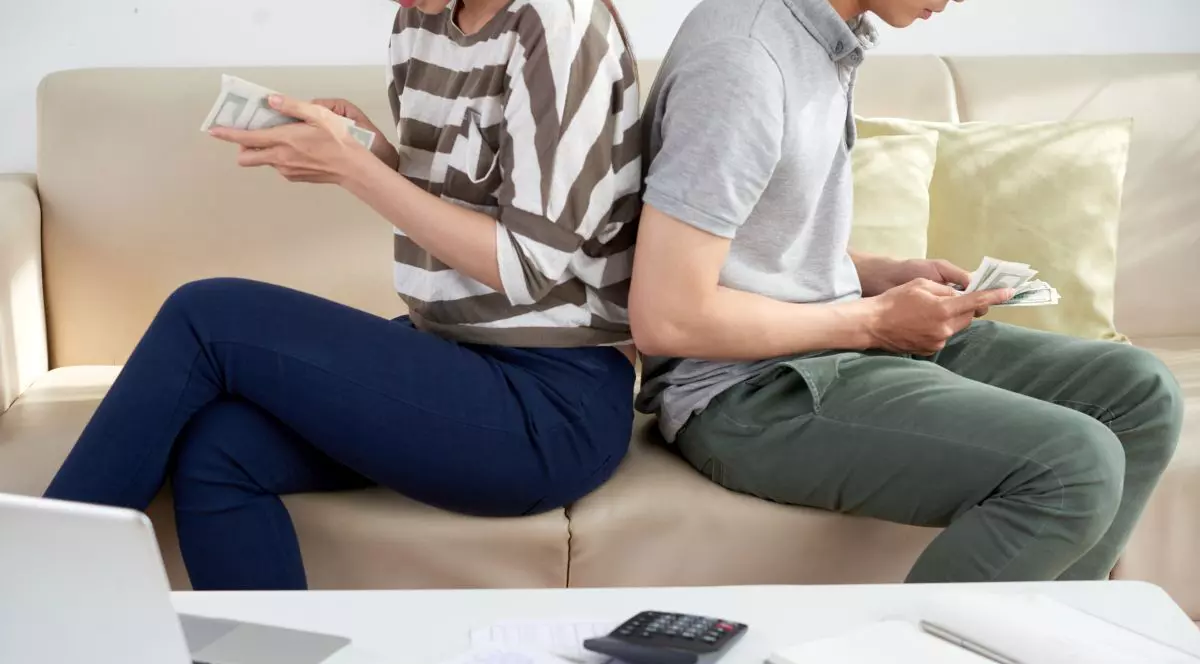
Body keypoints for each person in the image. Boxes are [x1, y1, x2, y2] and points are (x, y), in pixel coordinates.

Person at [44, 0, 642, 591]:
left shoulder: (558, 24)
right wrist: (371, 151)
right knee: (218, 449)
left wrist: (355, 171)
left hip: (553, 399)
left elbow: (528, 263)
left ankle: (32, 591)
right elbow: (456, 201)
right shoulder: (421, 19)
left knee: (206, 316)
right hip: (453, 352)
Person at [630, 0, 1184, 583]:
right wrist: (873, 321)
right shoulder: (743, 60)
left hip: (827, 342)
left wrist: (874, 274)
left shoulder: (820, 37)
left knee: (1142, 392)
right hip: (745, 391)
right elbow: (670, 315)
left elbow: (747, 242)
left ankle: (1033, 636)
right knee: (1076, 463)